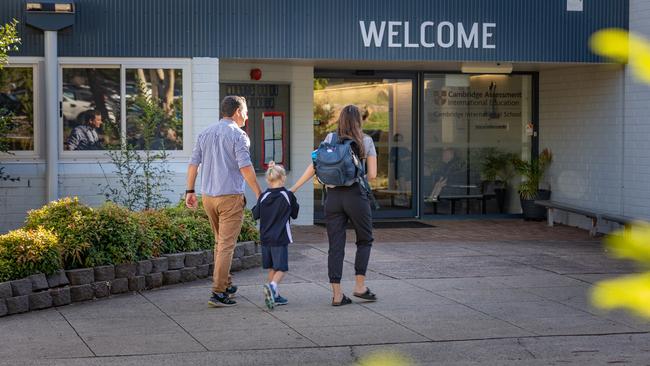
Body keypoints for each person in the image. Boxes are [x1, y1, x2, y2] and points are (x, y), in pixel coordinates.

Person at [291, 105, 378, 306]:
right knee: (364, 239)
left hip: (332, 198)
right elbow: (372, 175)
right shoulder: (365, 141)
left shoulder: (329, 139)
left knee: (335, 246)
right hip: (355, 195)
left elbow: (314, 166)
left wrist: (293, 188)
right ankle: (359, 286)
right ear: (359, 121)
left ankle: (337, 295)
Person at [186, 95, 262, 307]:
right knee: (226, 245)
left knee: (220, 242)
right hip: (230, 198)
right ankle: (218, 293)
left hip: (208, 198)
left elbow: (193, 164)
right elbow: (245, 167)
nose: (246, 116)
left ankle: (226, 283)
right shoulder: (239, 136)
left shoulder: (205, 133)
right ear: (237, 111)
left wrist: (189, 190)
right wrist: (259, 192)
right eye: (245, 112)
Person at [252, 161, 299, 310]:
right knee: (282, 268)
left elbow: (255, 214)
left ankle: (275, 295)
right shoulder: (288, 195)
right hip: (280, 237)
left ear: (268, 179)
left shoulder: (264, 196)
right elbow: (295, 214)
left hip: (265, 238)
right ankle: (272, 286)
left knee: (272, 267)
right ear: (283, 178)